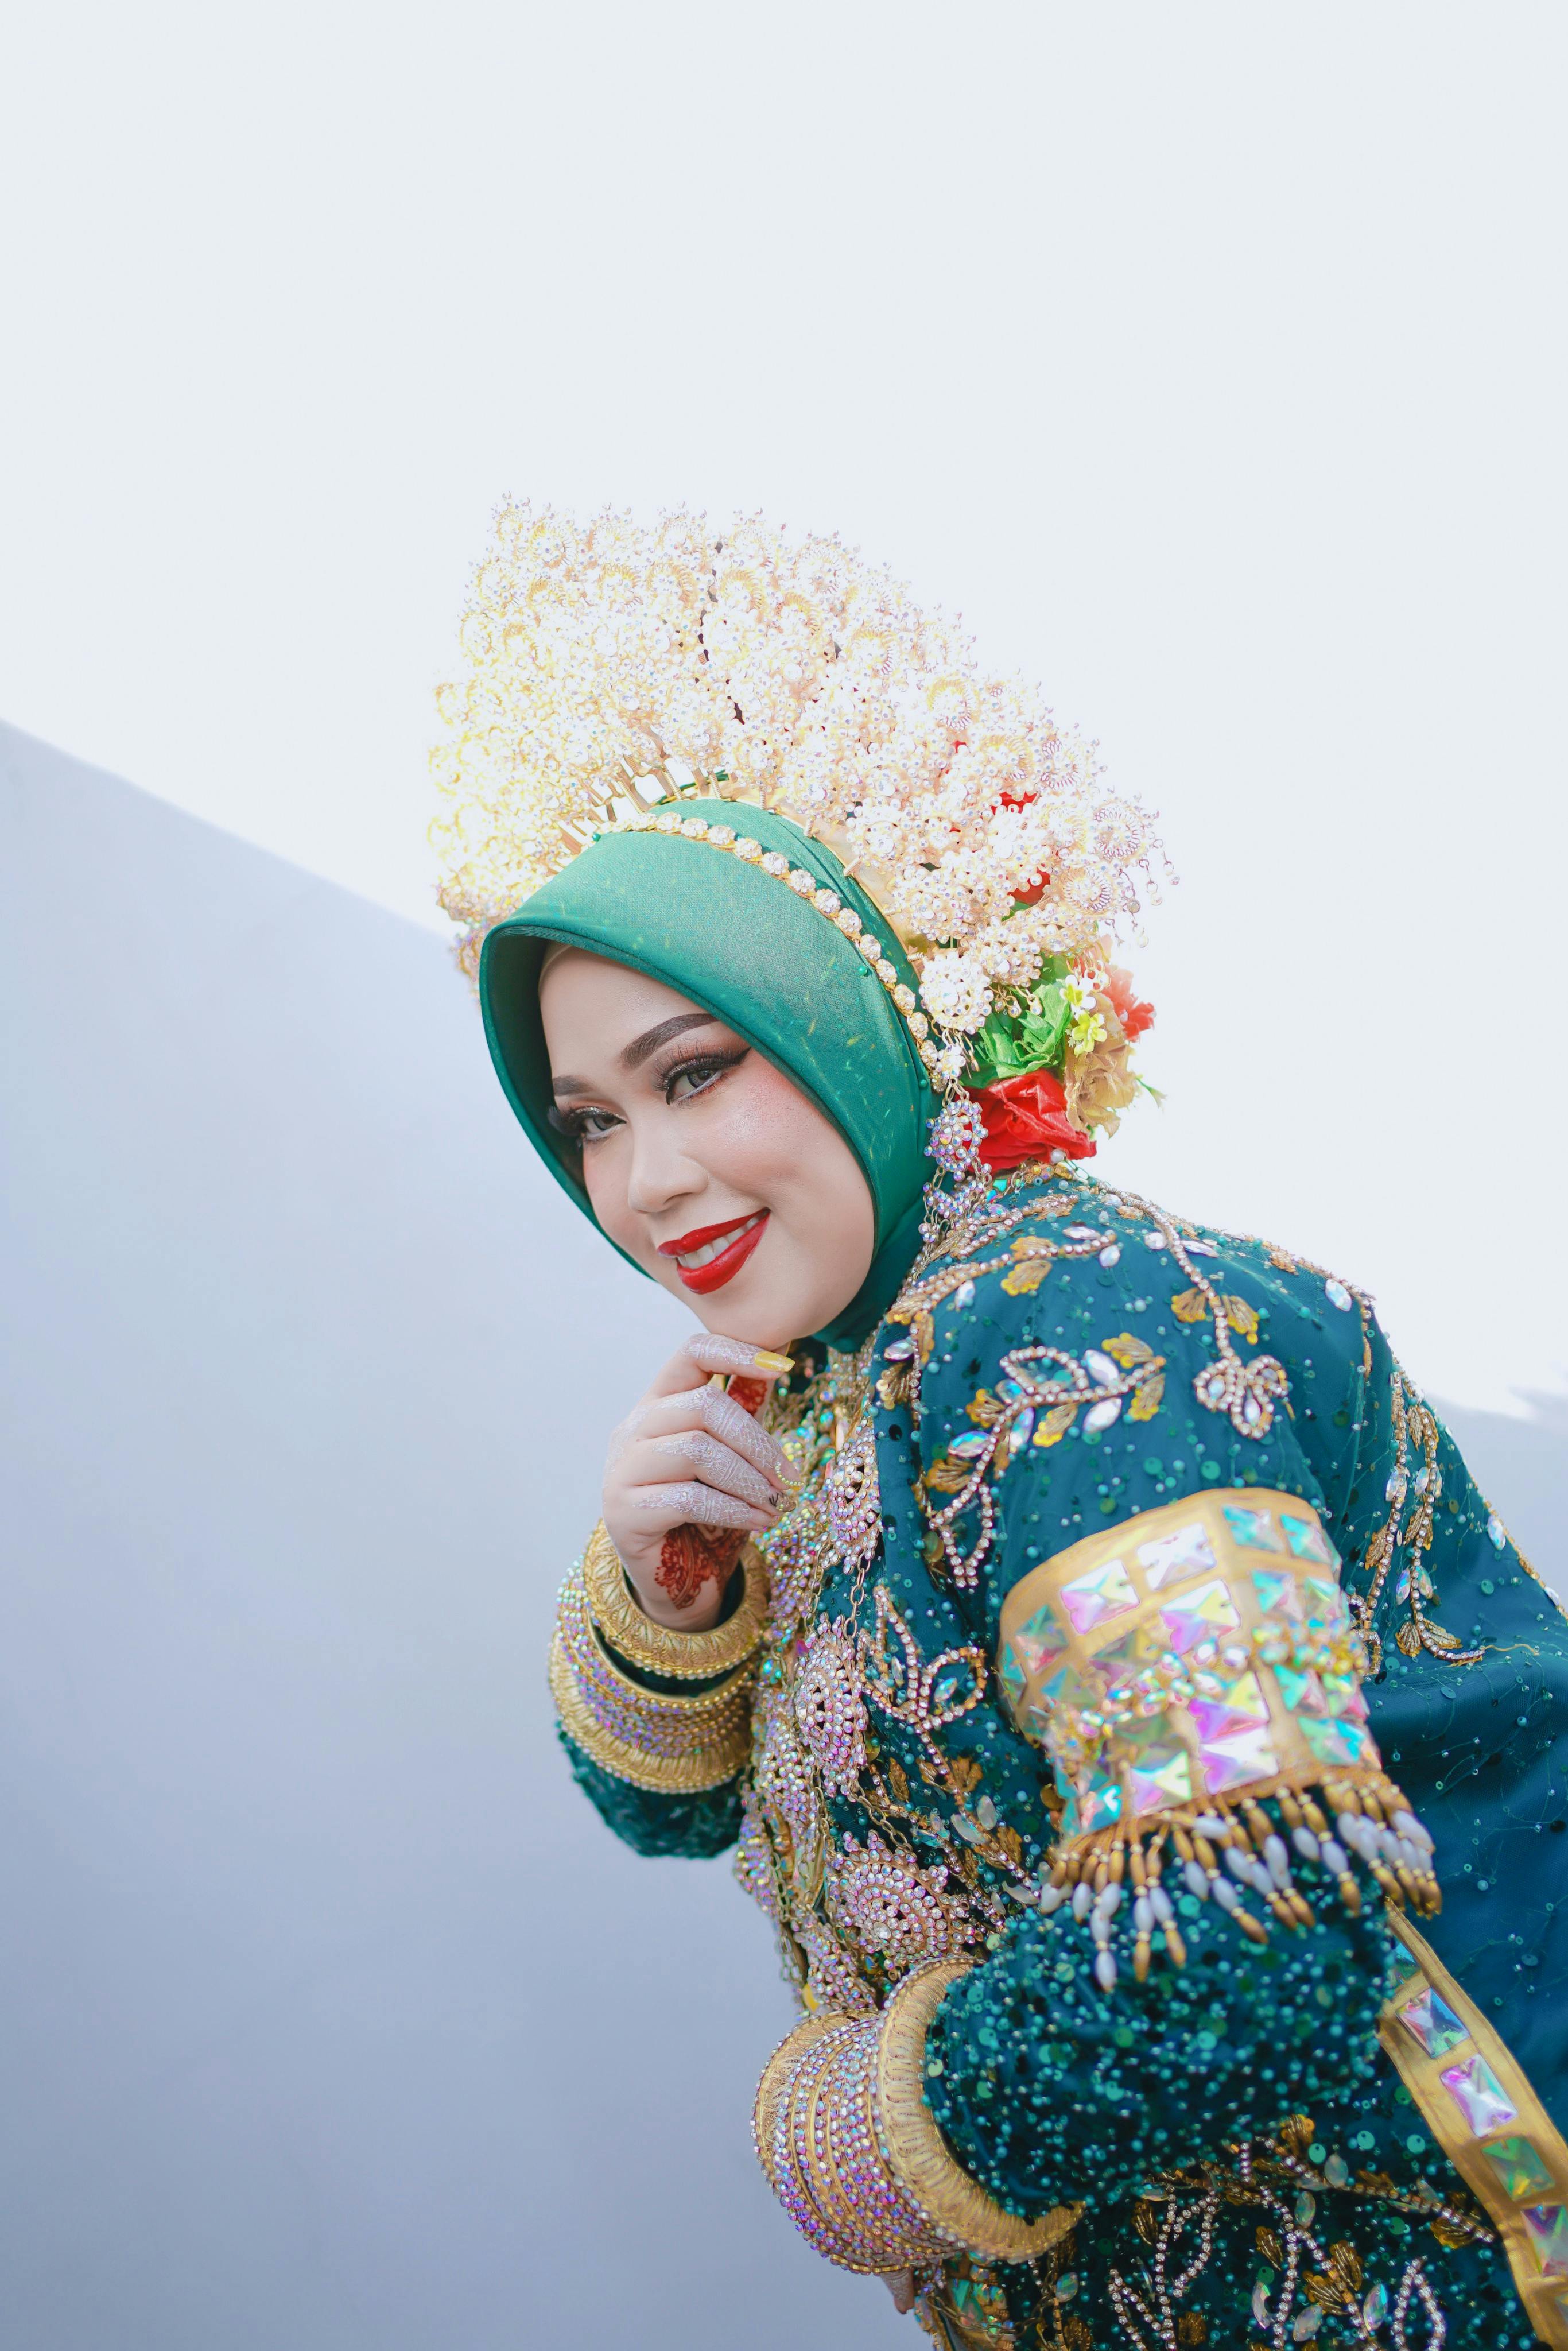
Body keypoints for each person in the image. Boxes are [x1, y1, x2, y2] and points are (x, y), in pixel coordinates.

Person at [433, 505, 1568, 2350]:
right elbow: (679, 1813)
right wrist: (676, 1599)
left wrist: (829, 2146)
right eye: (590, 1123)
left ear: (855, 1021)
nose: (646, 1181)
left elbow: (1251, 1943)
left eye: (695, 1071)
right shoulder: (814, 1375)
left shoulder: (1065, 1325)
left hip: (1436, 2262)